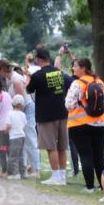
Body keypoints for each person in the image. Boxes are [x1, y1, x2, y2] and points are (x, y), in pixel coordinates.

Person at [29, 47, 73, 185]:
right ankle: (62, 177)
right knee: (62, 146)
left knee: (51, 147)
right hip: (63, 112)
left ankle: (55, 176)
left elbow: (29, 89)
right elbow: (70, 84)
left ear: (38, 59)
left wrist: (28, 77)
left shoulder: (37, 75)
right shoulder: (60, 72)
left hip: (46, 115)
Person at [66, 57, 104, 192]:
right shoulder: (100, 82)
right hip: (101, 124)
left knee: (85, 156)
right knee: (99, 156)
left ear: (83, 68)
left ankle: (90, 187)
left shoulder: (77, 84)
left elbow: (68, 105)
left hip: (80, 125)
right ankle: (103, 187)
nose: (73, 68)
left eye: (75, 66)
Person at [7, 94, 29, 179]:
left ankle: (15, 174)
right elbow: (24, 125)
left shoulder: (10, 114)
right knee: (21, 155)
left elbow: (8, 125)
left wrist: (6, 131)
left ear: (13, 103)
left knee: (13, 156)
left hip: (14, 137)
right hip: (22, 136)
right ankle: (23, 173)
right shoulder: (23, 114)